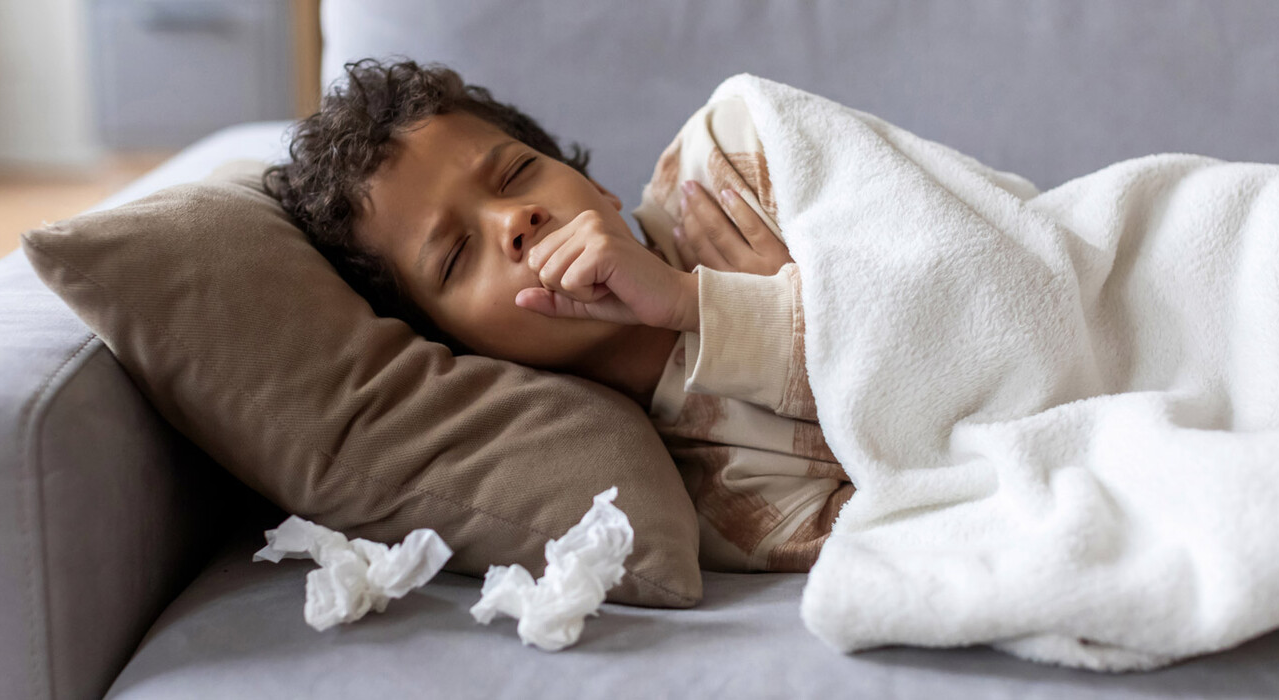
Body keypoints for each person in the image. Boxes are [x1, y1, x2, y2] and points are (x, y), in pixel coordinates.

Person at [265, 58, 851, 572]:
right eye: (456, 256)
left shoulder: (730, 157)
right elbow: (921, 504)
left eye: (516, 173)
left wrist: (835, 291)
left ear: (593, 183)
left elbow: (937, 282)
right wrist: (759, 313)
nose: (514, 220)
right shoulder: (718, 496)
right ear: (457, 347)